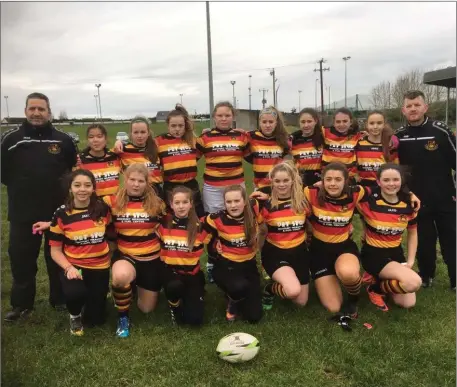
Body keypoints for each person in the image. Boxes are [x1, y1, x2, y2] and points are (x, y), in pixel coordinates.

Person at [1, 92, 78, 322]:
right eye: (32, 108)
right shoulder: (11, 139)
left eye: (41, 109)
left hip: (56, 214)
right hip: (23, 215)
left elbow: (72, 171)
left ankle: (60, 299)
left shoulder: (63, 140)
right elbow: (4, 174)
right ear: (25, 111)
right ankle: (22, 305)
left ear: (49, 112)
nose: (36, 113)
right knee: (22, 259)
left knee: (56, 257)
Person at [33, 170, 111, 335]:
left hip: (100, 266)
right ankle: (75, 315)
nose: (82, 189)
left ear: (93, 188)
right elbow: (55, 251)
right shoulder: (61, 214)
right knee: (75, 294)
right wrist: (69, 268)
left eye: (87, 185)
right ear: (70, 188)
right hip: (75, 266)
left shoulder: (103, 209)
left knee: (96, 320)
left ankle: (90, 304)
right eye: (77, 185)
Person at [396, 90, 456, 290]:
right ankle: (426, 276)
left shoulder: (440, 131)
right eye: (409, 106)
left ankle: (455, 279)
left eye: (417, 105)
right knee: (424, 240)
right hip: (416, 199)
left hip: (446, 197)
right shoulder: (399, 137)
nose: (413, 109)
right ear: (403, 110)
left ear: (425, 107)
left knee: (451, 237)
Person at [102, 163, 166, 338]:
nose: (136, 184)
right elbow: (84, 211)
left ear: (147, 183)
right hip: (126, 256)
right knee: (120, 277)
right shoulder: (111, 201)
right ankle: (123, 318)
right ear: (125, 180)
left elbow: (172, 226)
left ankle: (137, 287)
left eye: (140, 181)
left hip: (151, 259)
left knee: (146, 309)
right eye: (132, 180)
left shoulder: (158, 204)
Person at [196, 101, 249, 282]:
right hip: (213, 188)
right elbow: (189, 155)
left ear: (233, 116)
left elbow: (254, 155)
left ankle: (238, 258)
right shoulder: (205, 138)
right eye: (220, 115)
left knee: (237, 222)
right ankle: (212, 263)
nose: (224, 118)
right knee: (214, 225)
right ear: (214, 117)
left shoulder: (242, 137)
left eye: (227, 115)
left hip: (236, 187)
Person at [357, 163, 422, 311]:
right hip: (373, 254)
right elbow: (346, 197)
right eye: (386, 180)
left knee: (407, 303)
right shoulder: (368, 201)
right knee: (414, 282)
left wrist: (411, 260)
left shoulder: (408, 205)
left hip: (395, 253)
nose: (391, 184)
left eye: (395, 180)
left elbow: (412, 233)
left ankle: (378, 282)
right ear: (378, 181)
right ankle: (375, 288)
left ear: (402, 181)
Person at [201, 185, 263, 323]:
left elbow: (275, 196)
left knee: (254, 317)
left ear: (245, 201)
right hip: (226, 266)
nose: (233, 205)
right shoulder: (216, 218)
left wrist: (267, 194)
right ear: (224, 203)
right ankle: (232, 300)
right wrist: (214, 245)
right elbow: (198, 231)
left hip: (249, 265)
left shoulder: (254, 208)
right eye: (229, 202)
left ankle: (239, 295)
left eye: (237, 201)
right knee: (238, 287)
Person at [256, 162, 311, 310]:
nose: (282, 184)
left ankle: (285, 281)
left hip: (299, 253)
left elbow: (312, 226)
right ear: (271, 182)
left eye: (286, 180)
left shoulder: (303, 203)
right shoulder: (265, 205)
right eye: (277, 181)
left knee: (301, 302)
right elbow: (261, 232)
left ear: (293, 180)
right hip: (275, 253)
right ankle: (269, 289)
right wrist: (259, 253)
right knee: (293, 291)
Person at [157, 186, 206, 326]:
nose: (181, 206)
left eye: (185, 202)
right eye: (177, 203)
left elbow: (218, 236)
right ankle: (175, 306)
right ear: (171, 205)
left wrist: (218, 246)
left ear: (191, 203)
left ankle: (195, 293)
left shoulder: (200, 226)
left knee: (195, 321)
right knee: (174, 286)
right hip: (171, 273)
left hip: (192, 274)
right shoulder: (163, 223)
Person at [155, 105, 204, 218]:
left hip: (191, 185)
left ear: (185, 126)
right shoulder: (159, 141)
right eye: (173, 126)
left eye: (180, 126)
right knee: (172, 216)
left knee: (197, 215)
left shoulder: (192, 139)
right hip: (171, 186)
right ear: (168, 125)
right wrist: (120, 143)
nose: (177, 129)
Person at [113, 116, 163, 198]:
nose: (139, 136)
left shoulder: (157, 148)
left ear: (148, 133)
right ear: (130, 134)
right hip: (135, 192)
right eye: (136, 132)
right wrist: (118, 142)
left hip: (156, 192)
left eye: (143, 132)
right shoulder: (123, 149)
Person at [244, 106, 290, 192]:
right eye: (264, 122)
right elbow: (246, 154)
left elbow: (285, 157)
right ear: (259, 122)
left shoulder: (284, 139)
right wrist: (259, 159)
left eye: (271, 122)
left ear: (276, 123)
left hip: (279, 186)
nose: (267, 125)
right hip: (260, 187)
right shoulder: (251, 136)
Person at [355, 110, 398, 187]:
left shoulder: (390, 146)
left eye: (379, 123)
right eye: (371, 123)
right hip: (363, 188)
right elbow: (353, 165)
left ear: (384, 124)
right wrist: (355, 175)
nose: (375, 126)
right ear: (366, 125)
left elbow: (396, 169)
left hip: (383, 188)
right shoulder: (358, 144)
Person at [77, 124, 121, 197]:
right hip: (93, 206)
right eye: (91, 137)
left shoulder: (115, 156)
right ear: (87, 140)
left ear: (106, 139)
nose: (95, 140)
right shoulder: (80, 160)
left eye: (99, 136)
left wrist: (119, 142)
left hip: (114, 205)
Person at [321, 108, 363, 184]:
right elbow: (307, 130)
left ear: (351, 122)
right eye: (338, 122)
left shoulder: (357, 135)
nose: (341, 124)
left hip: (348, 178)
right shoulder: (325, 132)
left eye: (345, 121)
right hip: (329, 177)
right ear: (333, 123)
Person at [290, 108, 324, 186]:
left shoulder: (323, 137)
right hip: (300, 182)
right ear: (299, 123)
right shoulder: (293, 141)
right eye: (303, 122)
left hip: (320, 183)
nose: (306, 125)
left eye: (309, 121)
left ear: (315, 121)